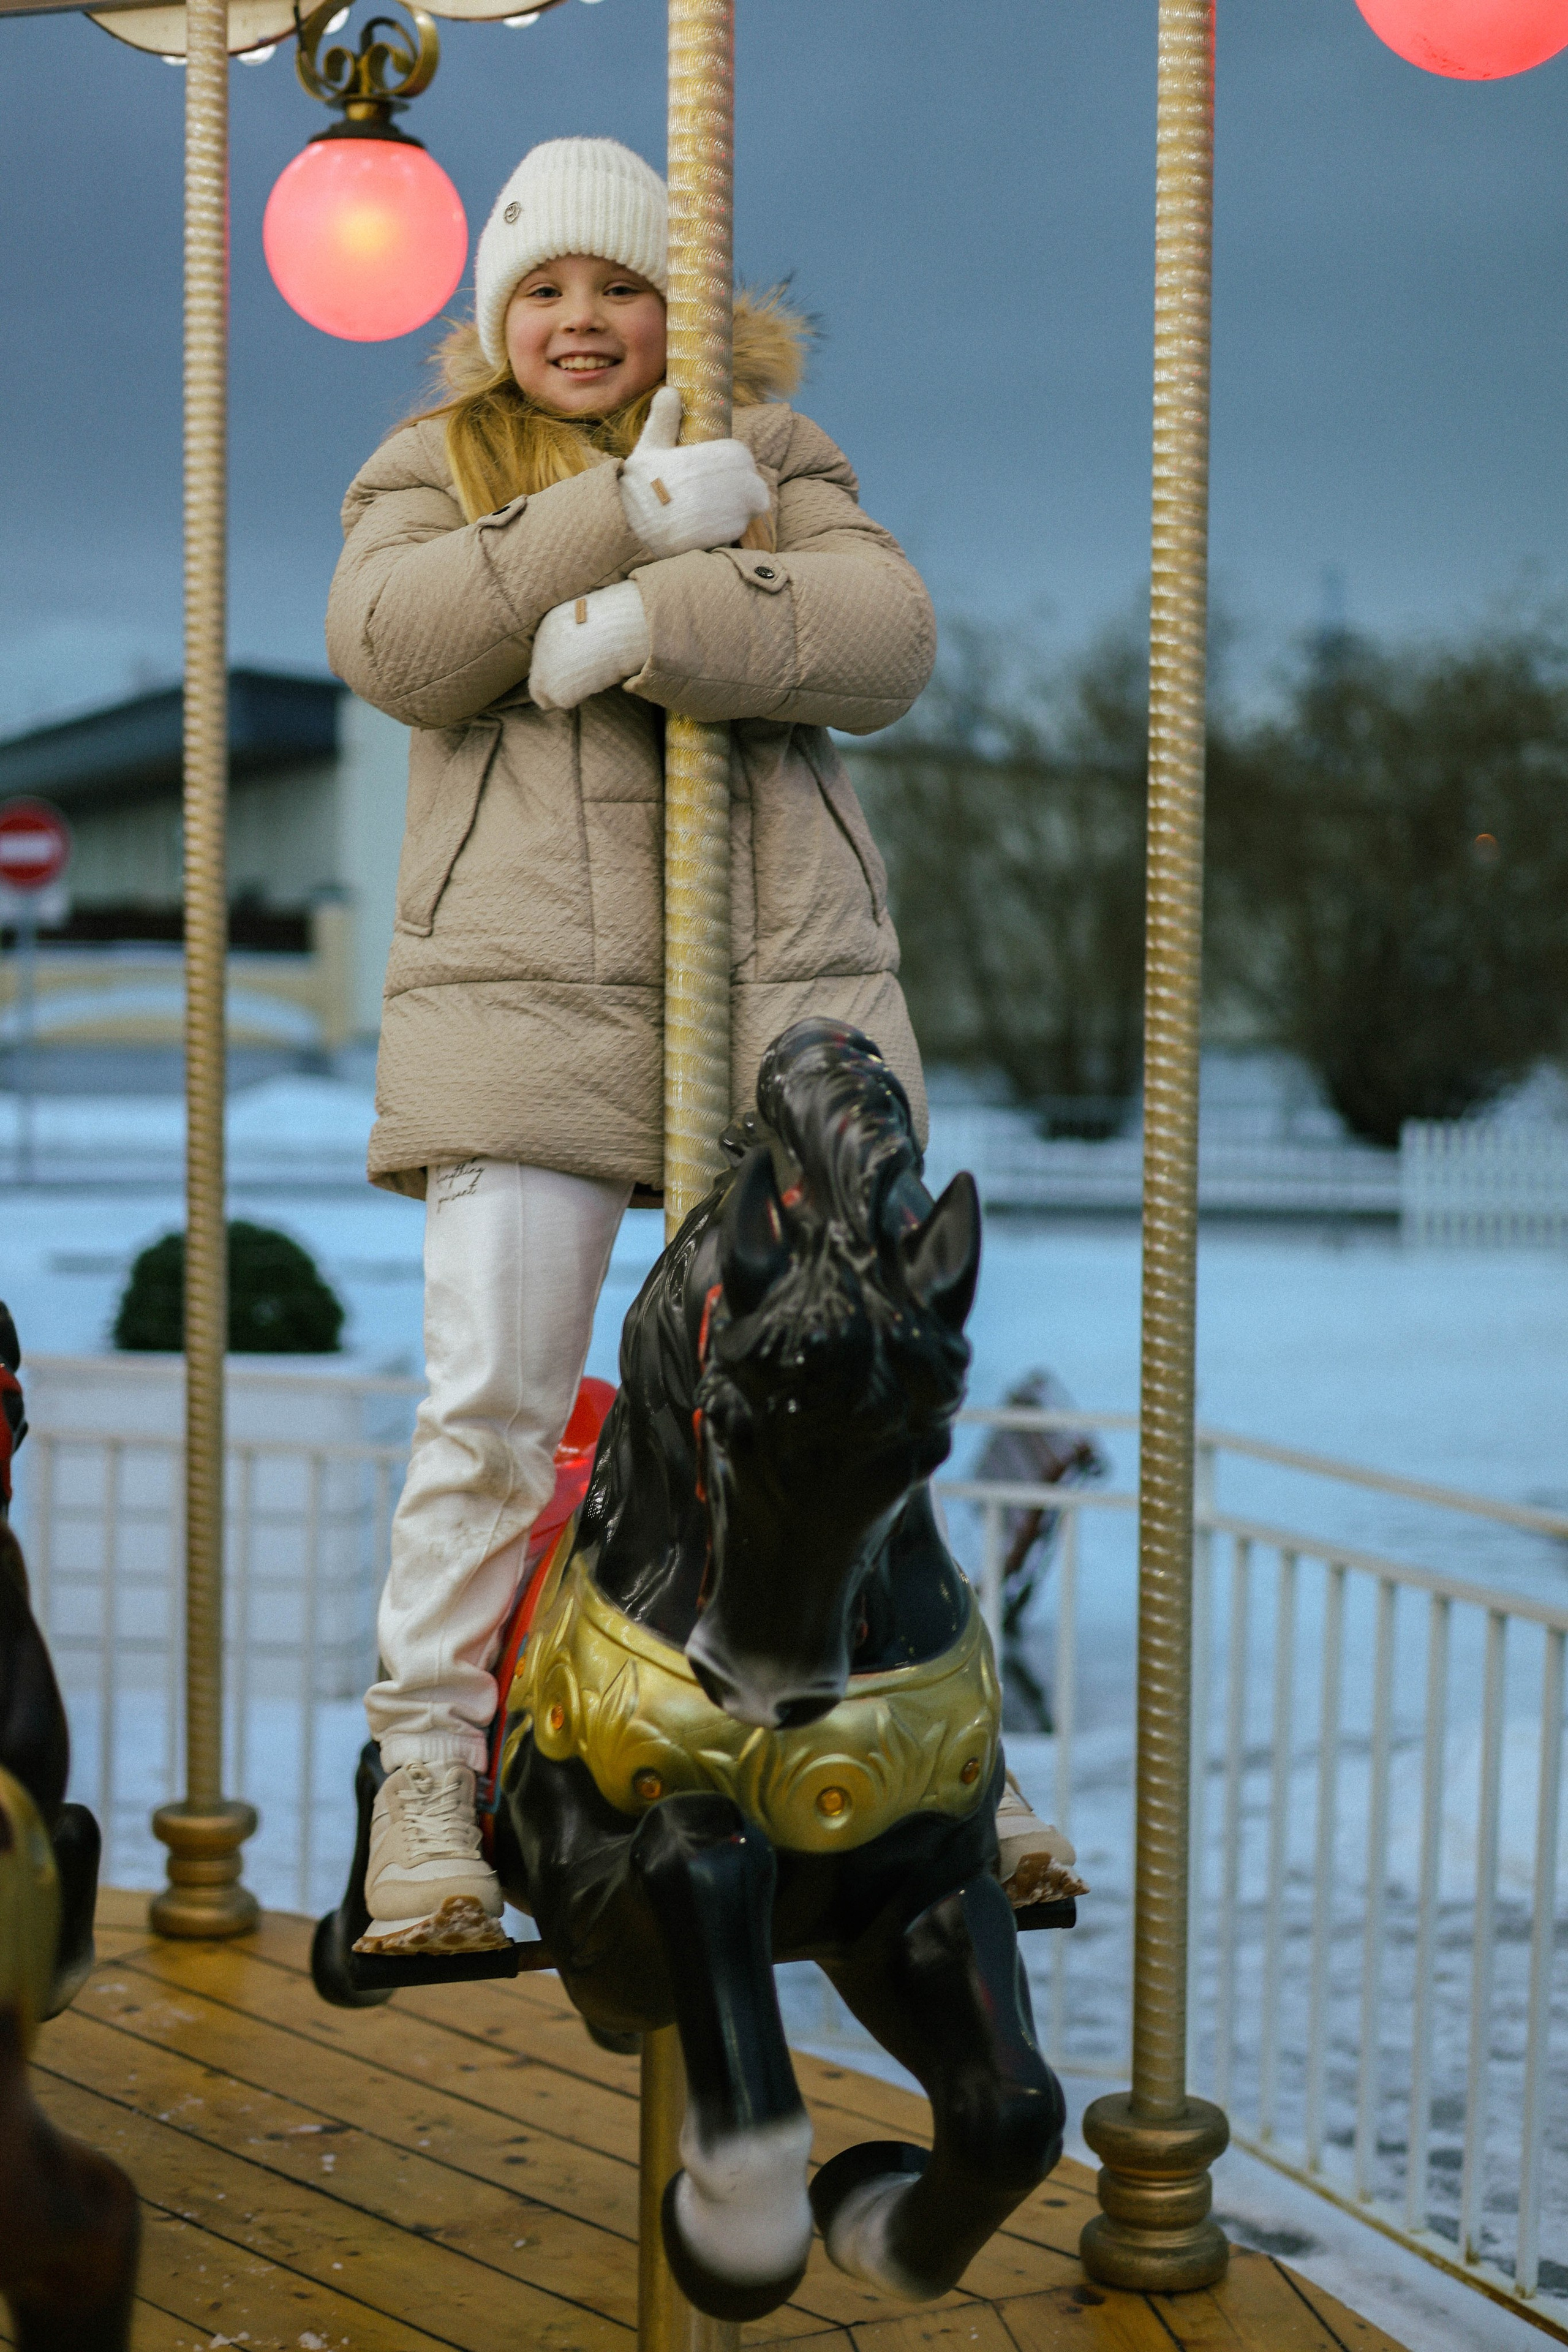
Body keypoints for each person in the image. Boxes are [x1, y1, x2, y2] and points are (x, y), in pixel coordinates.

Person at [328, 135, 1064, 1953]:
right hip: (523, 1002)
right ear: (499, 317)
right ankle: (427, 1769)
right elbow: (401, 642)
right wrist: (628, 523)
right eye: (547, 288)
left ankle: (960, 1759)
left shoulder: (782, 459)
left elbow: (883, 642)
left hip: (772, 980)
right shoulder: (432, 466)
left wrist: (650, 623)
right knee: (494, 1399)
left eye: (625, 284)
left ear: (687, 308)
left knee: (854, 1391)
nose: (584, 320)